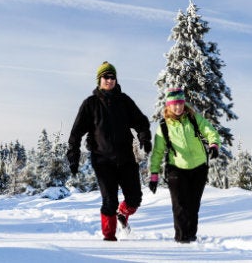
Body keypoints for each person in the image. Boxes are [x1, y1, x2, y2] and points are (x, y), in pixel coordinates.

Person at [66, 61, 152, 241]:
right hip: (102, 160)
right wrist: (73, 156)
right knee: (109, 201)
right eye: (106, 77)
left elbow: (141, 122)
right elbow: (76, 133)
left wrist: (144, 137)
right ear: (99, 79)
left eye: (112, 77)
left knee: (135, 198)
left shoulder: (124, 101)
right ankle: (109, 239)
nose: (110, 80)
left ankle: (123, 213)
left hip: (126, 158)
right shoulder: (90, 104)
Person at [148, 88, 221, 243]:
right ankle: (182, 240)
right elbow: (158, 152)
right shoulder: (163, 126)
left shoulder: (193, 118)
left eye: (180, 103)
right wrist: (154, 174)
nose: (178, 107)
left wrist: (214, 144)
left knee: (193, 205)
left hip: (199, 167)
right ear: (168, 105)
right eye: (174, 104)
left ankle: (191, 237)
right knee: (180, 205)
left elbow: (210, 130)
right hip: (177, 168)